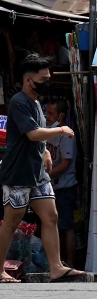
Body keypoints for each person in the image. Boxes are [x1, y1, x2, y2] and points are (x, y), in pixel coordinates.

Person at [0, 54, 90, 283]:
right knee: (11, 222)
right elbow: (33, 133)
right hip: (19, 172)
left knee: (51, 216)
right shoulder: (19, 102)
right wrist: (60, 131)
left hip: (38, 172)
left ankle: (56, 267)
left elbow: (37, 134)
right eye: (44, 78)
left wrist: (46, 151)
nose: (48, 81)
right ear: (29, 80)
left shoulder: (37, 103)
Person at [45, 99, 78, 267]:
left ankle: (70, 262)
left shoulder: (67, 135)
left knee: (66, 225)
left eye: (51, 113)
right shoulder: (49, 132)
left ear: (61, 116)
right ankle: (57, 262)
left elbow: (65, 164)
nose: (47, 116)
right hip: (52, 186)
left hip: (65, 187)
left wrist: (45, 174)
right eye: (47, 112)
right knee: (52, 225)